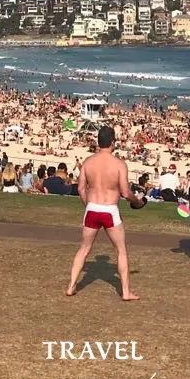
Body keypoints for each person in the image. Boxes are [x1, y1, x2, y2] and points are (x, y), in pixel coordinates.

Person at [66, 126, 143, 301]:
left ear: (98, 142)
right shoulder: (119, 164)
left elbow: (80, 188)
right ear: (113, 142)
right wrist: (137, 201)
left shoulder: (88, 162)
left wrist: (89, 205)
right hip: (109, 209)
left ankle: (71, 286)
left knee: (84, 249)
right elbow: (125, 193)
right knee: (121, 250)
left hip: (92, 208)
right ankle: (125, 292)